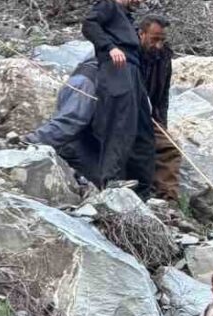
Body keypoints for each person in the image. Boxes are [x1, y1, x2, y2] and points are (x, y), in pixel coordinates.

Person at [81, 0, 155, 196]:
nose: (140, 1)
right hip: (117, 69)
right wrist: (109, 47)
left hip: (133, 71)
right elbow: (89, 24)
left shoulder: (125, 15)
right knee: (119, 123)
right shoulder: (108, 5)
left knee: (142, 128)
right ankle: (111, 180)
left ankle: (143, 190)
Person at [26, 56, 102, 184]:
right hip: (75, 145)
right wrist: (34, 140)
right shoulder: (87, 82)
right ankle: (33, 141)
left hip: (84, 143)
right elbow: (71, 121)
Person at [137, 14, 179, 201]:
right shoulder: (130, 54)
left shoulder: (164, 57)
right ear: (141, 34)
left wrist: (163, 124)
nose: (159, 45)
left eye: (162, 40)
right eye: (154, 40)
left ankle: (167, 200)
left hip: (150, 116)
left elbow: (163, 96)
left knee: (169, 148)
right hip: (128, 114)